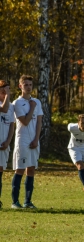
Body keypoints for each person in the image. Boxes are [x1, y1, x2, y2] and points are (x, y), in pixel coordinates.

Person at [12, 75, 43, 209]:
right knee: (20, 169)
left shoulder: (37, 101)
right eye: (26, 85)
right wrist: (31, 108)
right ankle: (15, 202)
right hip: (22, 141)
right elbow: (24, 121)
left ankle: (27, 201)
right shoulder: (17, 103)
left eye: (30, 85)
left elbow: (39, 121)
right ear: (20, 86)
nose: (29, 87)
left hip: (34, 141)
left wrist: (36, 138)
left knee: (31, 169)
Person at [0, 80, 14, 208]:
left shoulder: (11, 107)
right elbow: (3, 109)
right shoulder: (5, 105)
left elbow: (11, 126)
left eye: (7, 91)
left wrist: (8, 141)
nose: (5, 93)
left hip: (4, 144)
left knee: (0, 171)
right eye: (3, 91)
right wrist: (8, 95)